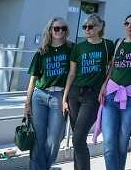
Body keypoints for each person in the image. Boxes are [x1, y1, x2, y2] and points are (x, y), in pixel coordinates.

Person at [62, 13, 114, 170]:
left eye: (90, 26)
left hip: (93, 95)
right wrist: (64, 98)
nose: (87, 29)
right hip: (74, 94)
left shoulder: (108, 45)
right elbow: (72, 73)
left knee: (78, 138)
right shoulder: (79, 47)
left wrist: (105, 85)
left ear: (99, 28)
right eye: (84, 26)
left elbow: (111, 68)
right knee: (79, 139)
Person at [97, 13, 131, 170]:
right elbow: (111, 67)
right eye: (127, 23)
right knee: (109, 141)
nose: (129, 26)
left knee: (122, 142)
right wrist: (103, 86)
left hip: (130, 97)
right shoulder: (118, 43)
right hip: (111, 94)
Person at [26, 17, 72, 170]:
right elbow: (33, 80)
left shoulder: (71, 49)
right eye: (56, 28)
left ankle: (43, 167)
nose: (60, 31)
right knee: (38, 138)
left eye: (63, 28)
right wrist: (27, 103)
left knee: (54, 138)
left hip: (58, 96)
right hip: (39, 96)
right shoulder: (42, 52)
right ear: (50, 30)